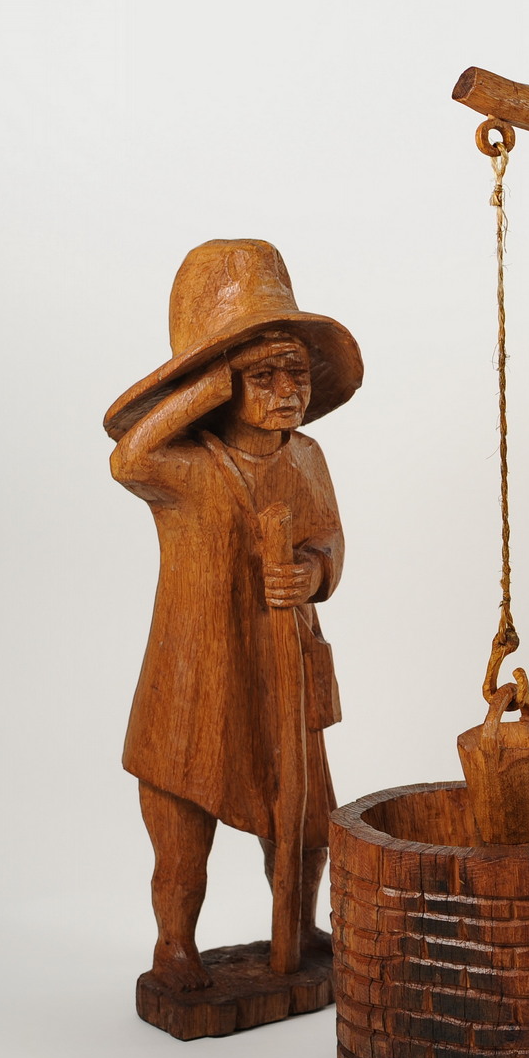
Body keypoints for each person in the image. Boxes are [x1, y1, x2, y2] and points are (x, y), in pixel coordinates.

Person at [105, 240, 362, 991]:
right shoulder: (185, 466)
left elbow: (330, 539)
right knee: (183, 822)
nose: (287, 390)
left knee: (304, 818)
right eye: (264, 374)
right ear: (223, 383)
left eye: (296, 372)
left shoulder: (305, 459)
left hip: (284, 661)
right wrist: (208, 382)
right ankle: (175, 947)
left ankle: (300, 926)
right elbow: (128, 458)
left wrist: (313, 571)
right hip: (197, 672)